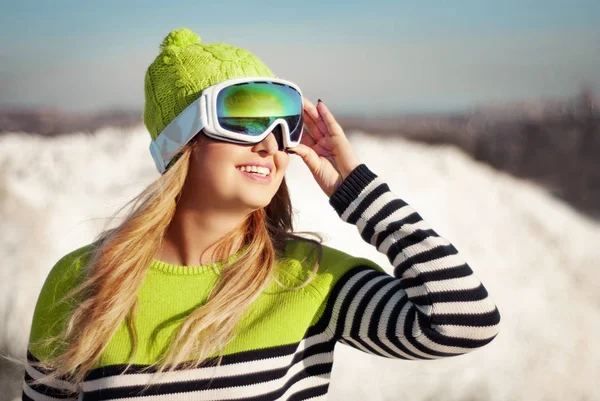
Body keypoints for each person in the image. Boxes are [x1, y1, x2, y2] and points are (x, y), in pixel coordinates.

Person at [22, 28, 501, 401]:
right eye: (245, 117)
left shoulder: (308, 280)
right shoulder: (82, 284)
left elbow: (465, 320)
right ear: (180, 142)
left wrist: (357, 189)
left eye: (284, 120)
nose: (271, 142)